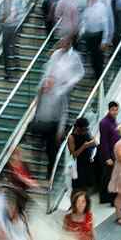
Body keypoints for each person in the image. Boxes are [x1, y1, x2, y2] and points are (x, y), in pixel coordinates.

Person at [33, 39, 85, 176]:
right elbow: (37, 107)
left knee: (51, 151)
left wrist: (60, 130)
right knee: (41, 145)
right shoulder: (42, 93)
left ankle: (51, 173)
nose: (47, 84)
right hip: (43, 122)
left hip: (54, 124)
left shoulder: (59, 94)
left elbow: (63, 113)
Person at [81, 0, 112, 81]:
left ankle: (100, 76)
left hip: (98, 35)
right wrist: (82, 30)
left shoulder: (101, 6)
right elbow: (84, 19)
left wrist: (104, 40)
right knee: (92, 57)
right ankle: (95, 73)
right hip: (89, 35)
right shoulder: (88, 5)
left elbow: (105, 23)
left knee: (98, 57)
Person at [0, 0, 26, 81]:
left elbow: (22, 13)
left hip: (14, 26)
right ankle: (7, 72)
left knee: (13, 47)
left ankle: (16, 64)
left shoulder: (18, 1)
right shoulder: (2, 1)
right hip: (5, 27)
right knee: (6, 49)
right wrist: (1, 19)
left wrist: (16, 20)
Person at [98, 102, 120, 204]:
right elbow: (104, 141)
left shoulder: (113, 121)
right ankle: (105, 197)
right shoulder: (104, 123)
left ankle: (109, 197)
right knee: (107, 176)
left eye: (116, 110)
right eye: (113, 110)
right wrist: (107, 157)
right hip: (108, 154)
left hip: (114, 152)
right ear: (109, 110)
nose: (115, 112)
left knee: (111, 176)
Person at [68, 117, 96, 192]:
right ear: (78, 128)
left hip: (88, 162)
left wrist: (92, 143)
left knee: (88, 185)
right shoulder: (71, 137)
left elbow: (94, 141)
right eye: (84, 129)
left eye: (86, 129)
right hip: (78, 165)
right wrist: (84, 146)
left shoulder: (87, 132)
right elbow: (74, 155)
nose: (85, 131)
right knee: (79, 187)